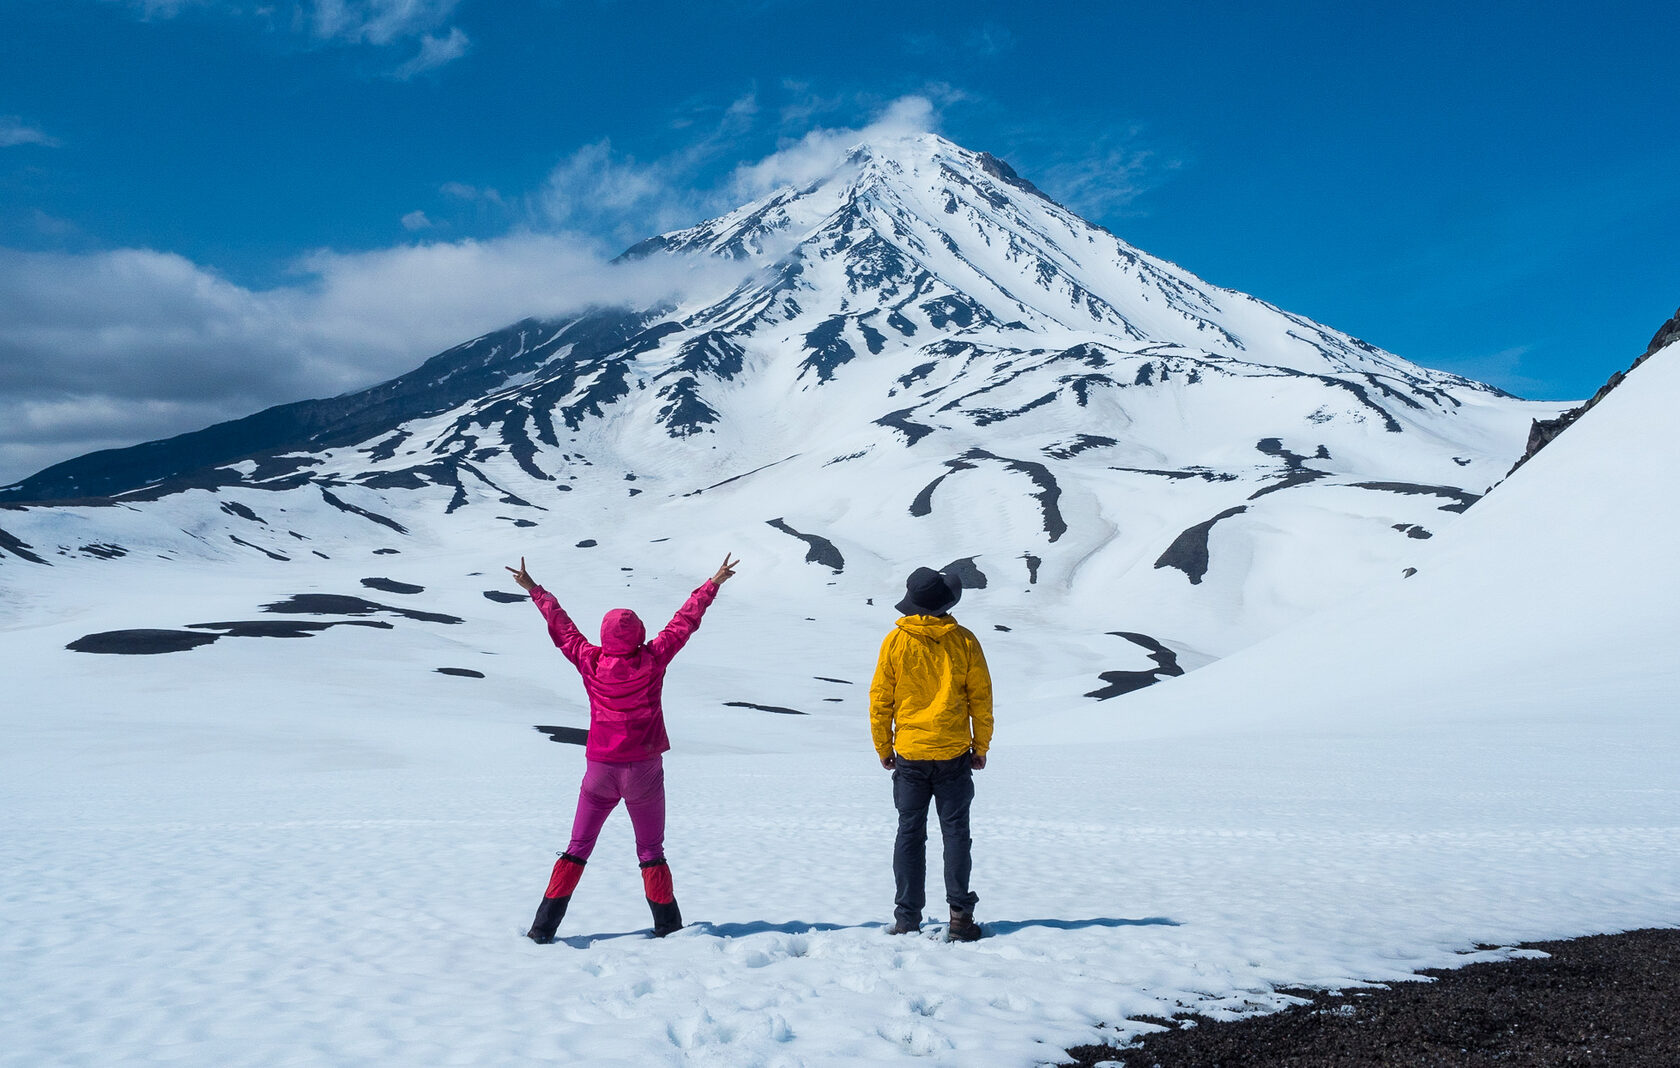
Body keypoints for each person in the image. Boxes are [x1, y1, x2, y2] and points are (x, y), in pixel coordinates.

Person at [507, 553, 738, 943]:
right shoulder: (653, 658)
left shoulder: (589, 660)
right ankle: (667, 927)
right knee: (651, 850)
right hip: (644, 770)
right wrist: (712, 583)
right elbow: (684, 623)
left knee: (577, 847)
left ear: (604, 636)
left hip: (600, 770)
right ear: (638, 635)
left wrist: (535, 590)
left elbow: (563, 629)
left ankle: (542, 930)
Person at [869, 566, 993, 941]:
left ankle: (907, 917)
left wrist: (884, 746)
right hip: (954, 752)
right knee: (956, 835)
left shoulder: (895, 641)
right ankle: (959, 919)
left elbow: (880, 700)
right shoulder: (965, 641)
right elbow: (981, 699)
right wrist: (980, 746)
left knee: (909, 834)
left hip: (910, 754)